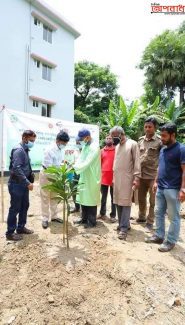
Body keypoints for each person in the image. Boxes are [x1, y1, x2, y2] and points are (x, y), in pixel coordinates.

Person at [145, 123, 185, 252]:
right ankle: (159, 235)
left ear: (173, 135)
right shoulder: (163, 149)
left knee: (173, 217)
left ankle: (171, 241)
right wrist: (156, 181)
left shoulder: (181, 149)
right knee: (158, 213)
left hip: (173, 188)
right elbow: (160, 167)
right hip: (161, 187)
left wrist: (183, 189)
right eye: (161, 135)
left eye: (164, 136)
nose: (161, 138)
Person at [6, 130, 36, 241]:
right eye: (31, 140)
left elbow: (24, 166)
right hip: (16, 184)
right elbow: (16, 168)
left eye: (33, 140)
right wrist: (27, 182)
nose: (32, 142)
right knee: (15, 208)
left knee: (24, 205)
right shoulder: (19, 150)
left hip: (23, 184)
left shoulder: (25, 149)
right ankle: (10, 233)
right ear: (24, 138)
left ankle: (21, 227)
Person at [113, 127, 141, 240]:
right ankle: (122, 224)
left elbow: (137, 162)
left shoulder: (132, 144)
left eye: (115, 135)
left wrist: (137, 178)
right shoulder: (117, 146)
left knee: (125, 203)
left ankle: (124, 229)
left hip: (128, 178)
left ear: (121, 134)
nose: (113, 138)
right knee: (118, 202)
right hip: (117, 178)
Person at [39, 131, 70, 229]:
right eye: (63, 143)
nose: (64, 145)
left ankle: (54, 216)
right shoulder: (50, 150)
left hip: (56, 175)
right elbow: (49, 167)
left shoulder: (59, 149)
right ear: (57, 141)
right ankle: (44, 218)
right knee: (45, 196)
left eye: (65, 144)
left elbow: (59, 162)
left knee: (55, 196)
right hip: (47, 174)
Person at [137, 117, 162, 232]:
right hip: (141, 175)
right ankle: (141, 216)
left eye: (150, 127)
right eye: (146, 126)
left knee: (153, 201)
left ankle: (150, 222)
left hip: (153, 175)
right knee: (141, 199)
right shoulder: (140, 140)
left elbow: (163, 158)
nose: (147, 129)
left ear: (155, 128)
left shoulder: (160, 141)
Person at [74, 128, 101, 228]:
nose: (81, 141)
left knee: (91, 199)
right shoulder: (86, 145)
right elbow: (81, 159)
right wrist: (75, 165)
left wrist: (75, 168)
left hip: (92, 176)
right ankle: (84, 218)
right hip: (84, 174)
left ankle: (92, 221)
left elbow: (87, 161)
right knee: (83, 197)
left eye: (82, 139)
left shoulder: (94, 147)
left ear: (88, 137)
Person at [98, 134, 116, 222]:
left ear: (113, 141)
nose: (108, 139)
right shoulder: (101, 151)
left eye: (110, 138)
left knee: (114, 197)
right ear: (105, 140)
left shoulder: (116, 150)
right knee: (103, 197)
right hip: (104, 177)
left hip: (113, 178)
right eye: (107, 138)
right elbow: (99, 164)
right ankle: (102, 213)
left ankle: (113, 215)